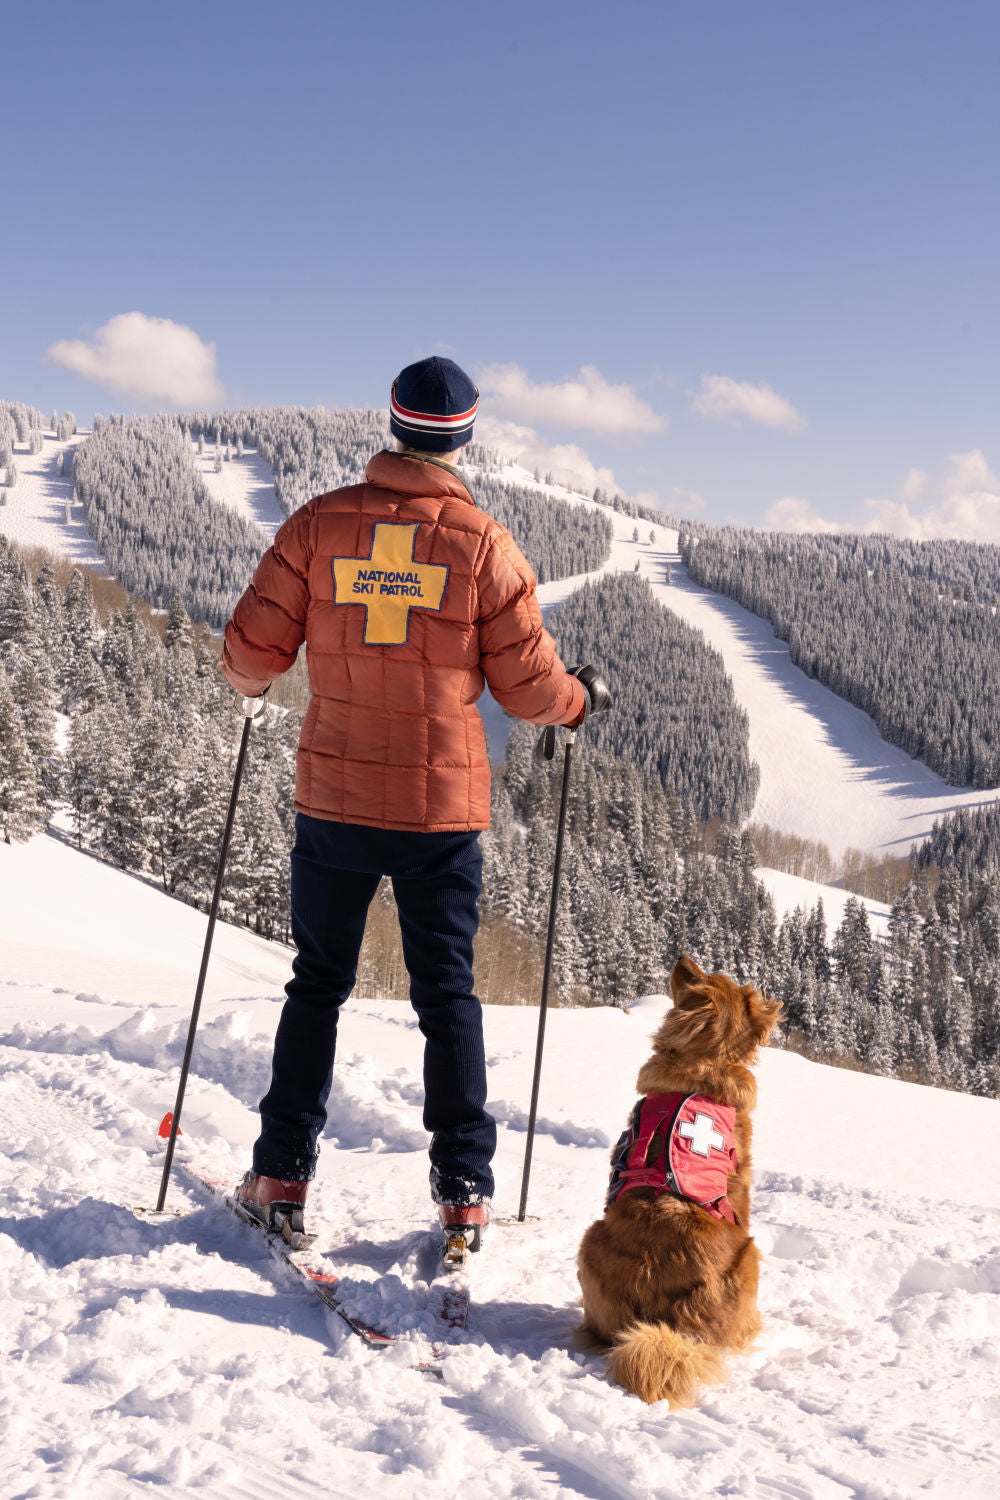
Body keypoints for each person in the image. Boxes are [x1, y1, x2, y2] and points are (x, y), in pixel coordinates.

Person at [220, 355, 610, 1257]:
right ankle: (465, 1194)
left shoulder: (319, 527)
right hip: (442, 812)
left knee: (317, 985)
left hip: (335, 799)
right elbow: (529, 689)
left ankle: (280, 1177)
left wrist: (247, 672)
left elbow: (250, 657)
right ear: (463, 438)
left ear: (393, 427)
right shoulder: (483, 547)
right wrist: (580, 702)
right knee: (448, 996)